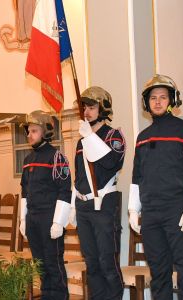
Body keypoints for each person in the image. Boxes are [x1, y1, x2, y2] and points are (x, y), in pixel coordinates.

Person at [128, 74, 183, 299]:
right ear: (147, 103)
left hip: (179, 211)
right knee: (158, 271)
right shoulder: (142, 137)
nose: (158, 101)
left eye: (163, 97)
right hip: (151, 213)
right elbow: (137, 176)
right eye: (153, 97)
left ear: (172, 100)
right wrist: (134, 209)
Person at [73, 87, 125, 299]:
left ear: (103, 110)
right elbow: (79, 177)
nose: (86, 111)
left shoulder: (114, 135)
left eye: (92, 107)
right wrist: (72, 206)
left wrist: (91, 138)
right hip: (84, 206)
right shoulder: (81, 141)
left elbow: (111, 163)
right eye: (84, 107)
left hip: (104, 204)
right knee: (92, 264)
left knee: (107, 263)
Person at [19, 110, 72, 300]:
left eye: (34, 130)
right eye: (28, 131)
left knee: (53, 264)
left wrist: (59, 222)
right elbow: (24, 192)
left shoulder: (56, 157)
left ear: (45, 131)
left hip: (50, 218)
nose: (29, 135)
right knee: (40, 265)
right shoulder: (27, 160)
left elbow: (65, 190)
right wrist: (23, 219)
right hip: (32, 219)